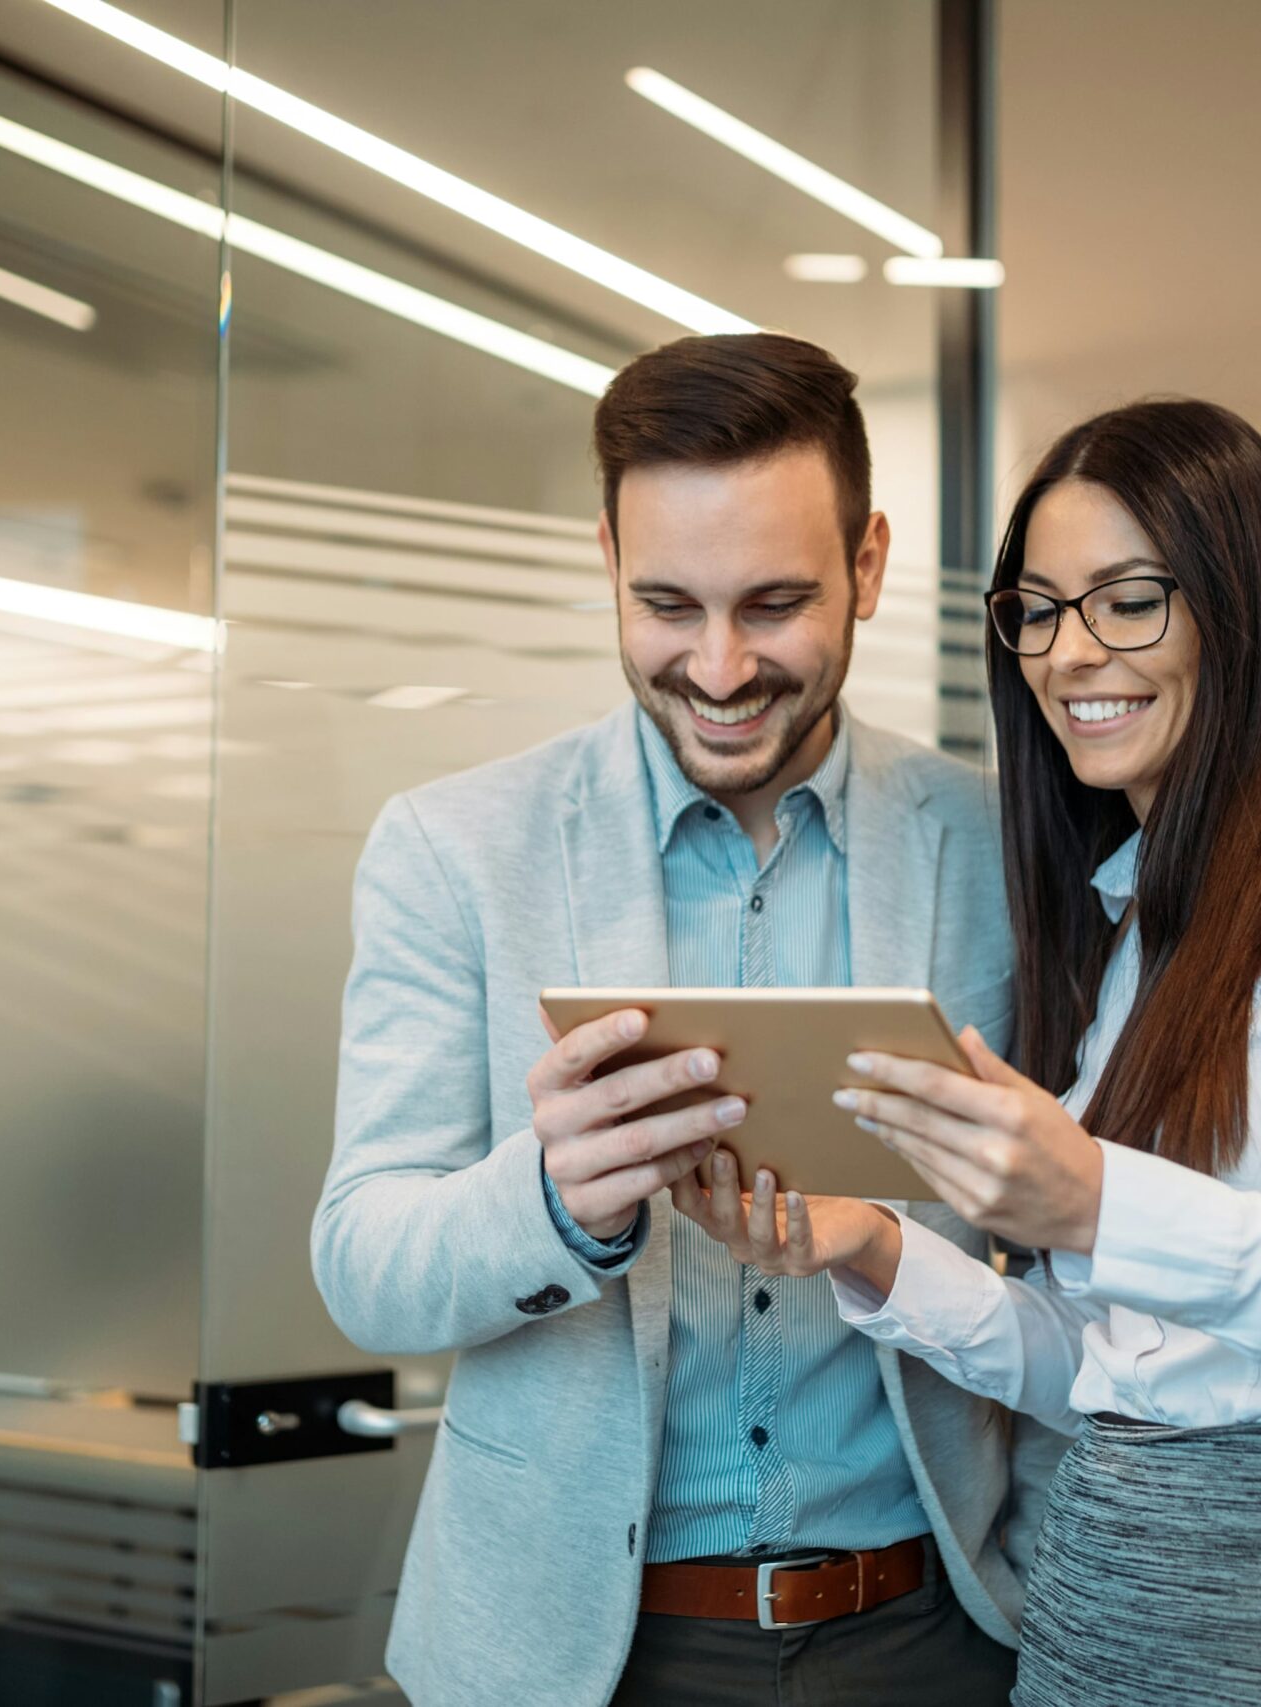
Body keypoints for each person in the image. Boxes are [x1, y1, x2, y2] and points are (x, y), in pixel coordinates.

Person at [679, 398, 1261, 1706]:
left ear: (1242, 605)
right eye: (1036, 609)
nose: (1068, 653)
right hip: (1097, 1602)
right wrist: (869, 1249)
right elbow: (1111, 1373)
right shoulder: (1135, 923)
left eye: (1126, 601)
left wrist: (1096, 1199)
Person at [313, 332, 1060, 1707]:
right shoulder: (456, 850)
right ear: (605, 558)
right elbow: (364, 1260)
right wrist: (551, 1202)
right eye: (668, 604)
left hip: (932, 1629)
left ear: (872, 565)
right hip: (569, 1653)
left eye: (773, 603)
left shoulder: (998, 850)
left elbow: (1074, 1255)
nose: (718, 669)